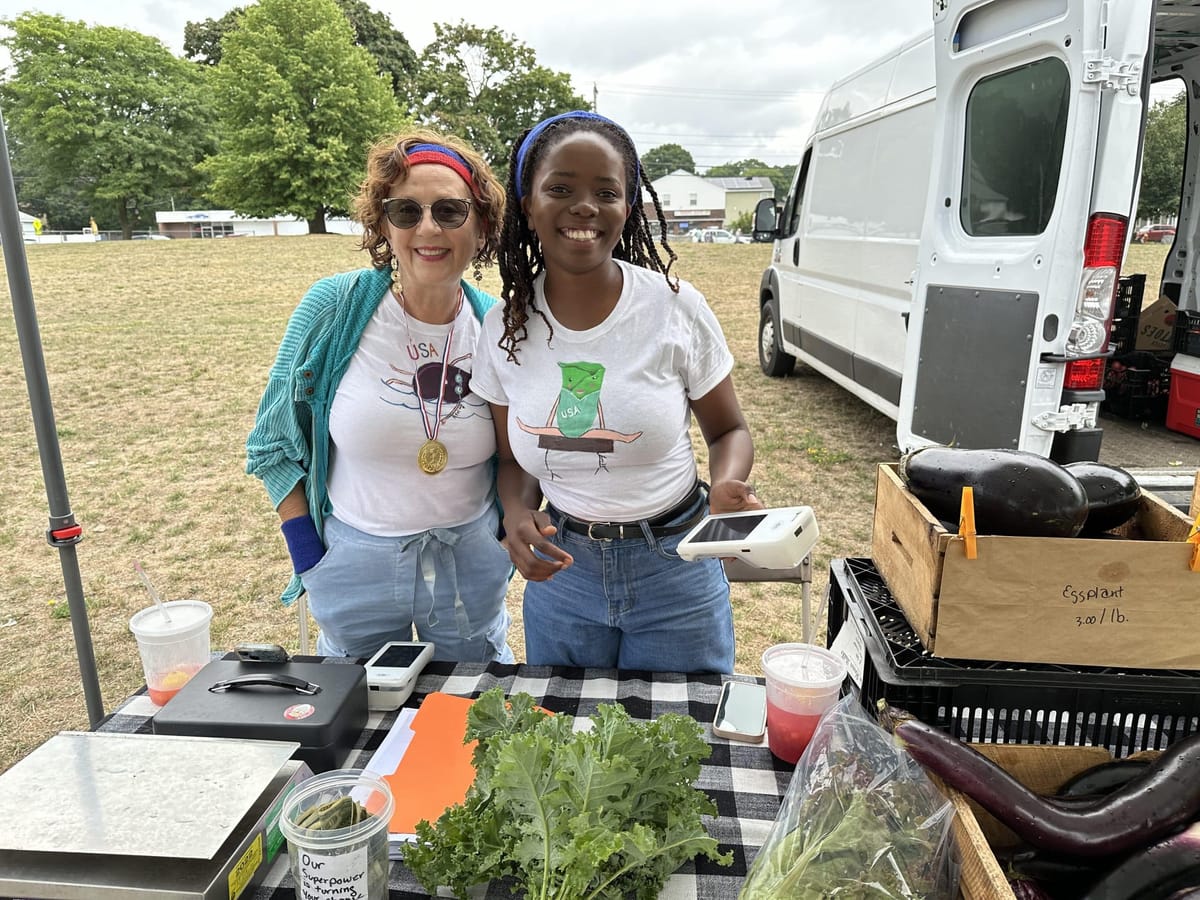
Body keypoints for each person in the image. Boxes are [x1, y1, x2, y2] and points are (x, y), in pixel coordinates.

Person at [470, 110, 762, 674]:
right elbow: (512, 459)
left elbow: (728, 430)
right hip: (563, 572)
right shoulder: (504, 328)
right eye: (560, 188)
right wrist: (515, 513)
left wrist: (728, 485)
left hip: (676, 563)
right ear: (528, 204)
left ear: (626, 210)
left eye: (606, 192)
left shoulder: (675, 307)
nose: (584, 206)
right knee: (571, 745)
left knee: (683, 744)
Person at [246, 129, 514, 663]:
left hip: (471, 560)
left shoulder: (498, 325)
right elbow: (271, 445)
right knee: (356, 716)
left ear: (482, 227)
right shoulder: (332, 309)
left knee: (470, 712)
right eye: (406, 212)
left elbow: (516, 453)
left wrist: (502, 542)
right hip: (354, 561)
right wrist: (311, 560)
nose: (428, 228)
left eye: (450, 211)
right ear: (383, 227)